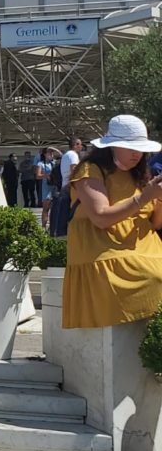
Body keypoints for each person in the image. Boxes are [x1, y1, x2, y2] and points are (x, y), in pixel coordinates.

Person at [63, 115, 162, 329]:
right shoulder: (89, 170)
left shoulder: (139, 173)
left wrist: (160, 201)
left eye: (140, 148)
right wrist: (144, 197)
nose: (137, 153)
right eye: (130, 147)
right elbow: (100, 217)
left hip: (144, 247)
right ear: (112, 147)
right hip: (104, 249)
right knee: (153, 276)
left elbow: (154, 224)